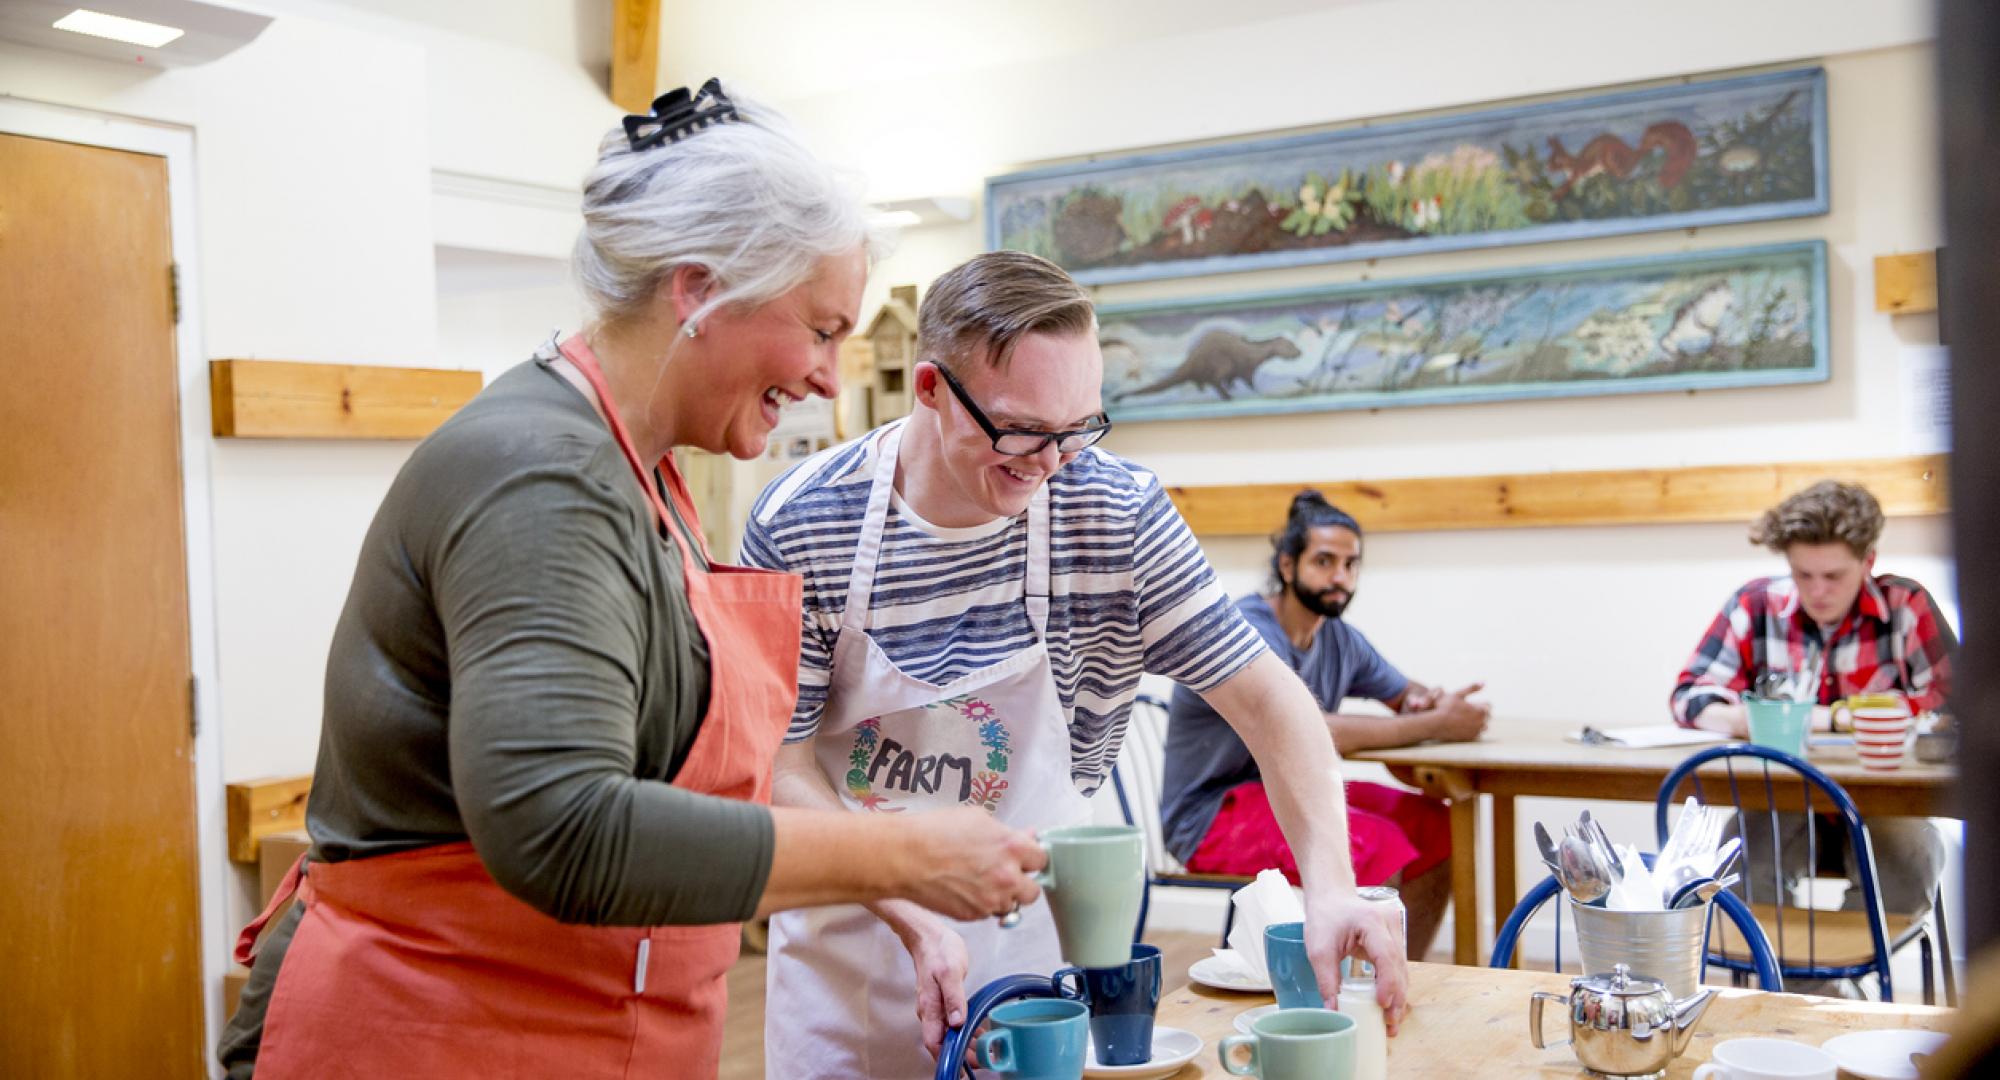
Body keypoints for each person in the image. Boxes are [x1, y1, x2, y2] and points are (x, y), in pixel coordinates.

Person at [216, 81, 1044, 1079]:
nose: (831, 377)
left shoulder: (643, 472)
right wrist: (906, 856)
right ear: (696, 290)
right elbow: (561, 826)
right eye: (820, 330)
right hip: (433, 1029)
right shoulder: (543, 477)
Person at [743, 251, 1408, 1079]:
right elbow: (781, 764)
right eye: (1022, 429)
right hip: (853, 955)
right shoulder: (807, 522)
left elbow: (1270, 703)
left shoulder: (1114, 511)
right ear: (930, 389)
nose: (1053, 462)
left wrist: (1333, 884)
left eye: (1080, 426)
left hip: (1035, 958)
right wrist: (913, 916)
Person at [1158, 490, 1488, 960]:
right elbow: (1310, 731)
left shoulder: (1338, 638)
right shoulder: (1243, 628)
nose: (1341, 577)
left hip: (1288, 791)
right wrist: (1438, 722)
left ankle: (1400, 973)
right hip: (1212, 814)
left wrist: (1431, 703)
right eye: (1325, 561)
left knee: (1436, 826)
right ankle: (1358, 999)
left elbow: (1406, 696)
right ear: (1287, 566)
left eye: (1351, 564)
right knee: (1379, 845)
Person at [1670, 480, 1957, 966]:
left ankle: (1853, 973)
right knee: (1737, 863)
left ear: (1868, 562)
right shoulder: (1755, 606)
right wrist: (1741, 718)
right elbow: (1689, 696)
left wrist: (1824, 716)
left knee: (1912, 858)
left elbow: (1952, 704)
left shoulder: (1906, 607)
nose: (1818, 591)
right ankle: (1813, 990)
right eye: (1803, 574)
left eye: (1834, 575)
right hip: (1780, 798)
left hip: (1883, 801)